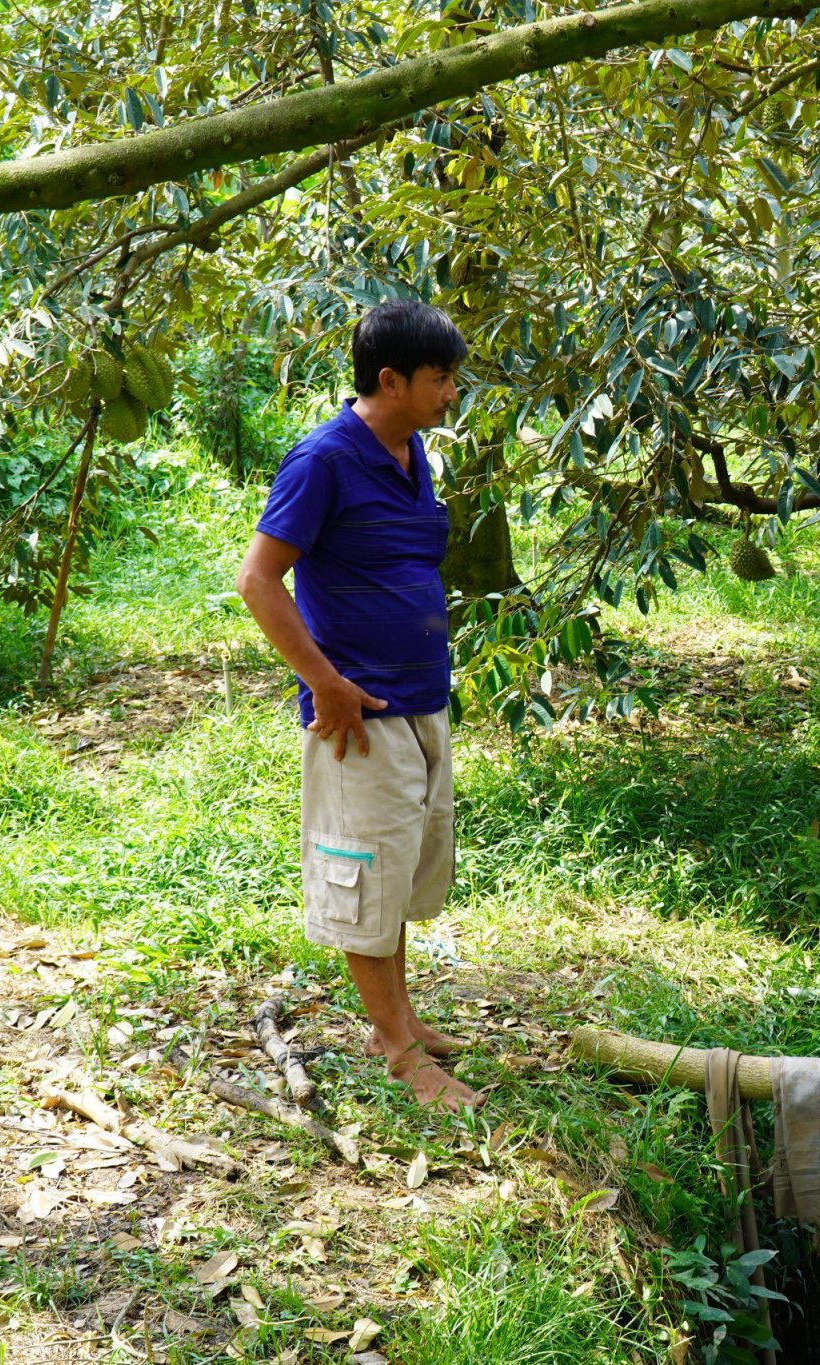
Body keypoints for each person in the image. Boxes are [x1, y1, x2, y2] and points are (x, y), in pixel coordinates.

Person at [236, 299, 481, 1112]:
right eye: (440, 377)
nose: (451, 392)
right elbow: (257, 580)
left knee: (397, 872)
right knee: (366, 877)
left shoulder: (411, 454)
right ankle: (402, 1056)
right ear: (391, 379)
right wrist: (326, 682)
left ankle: (396, 1023)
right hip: (360, 711)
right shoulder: (323, 460)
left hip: (420, 703)